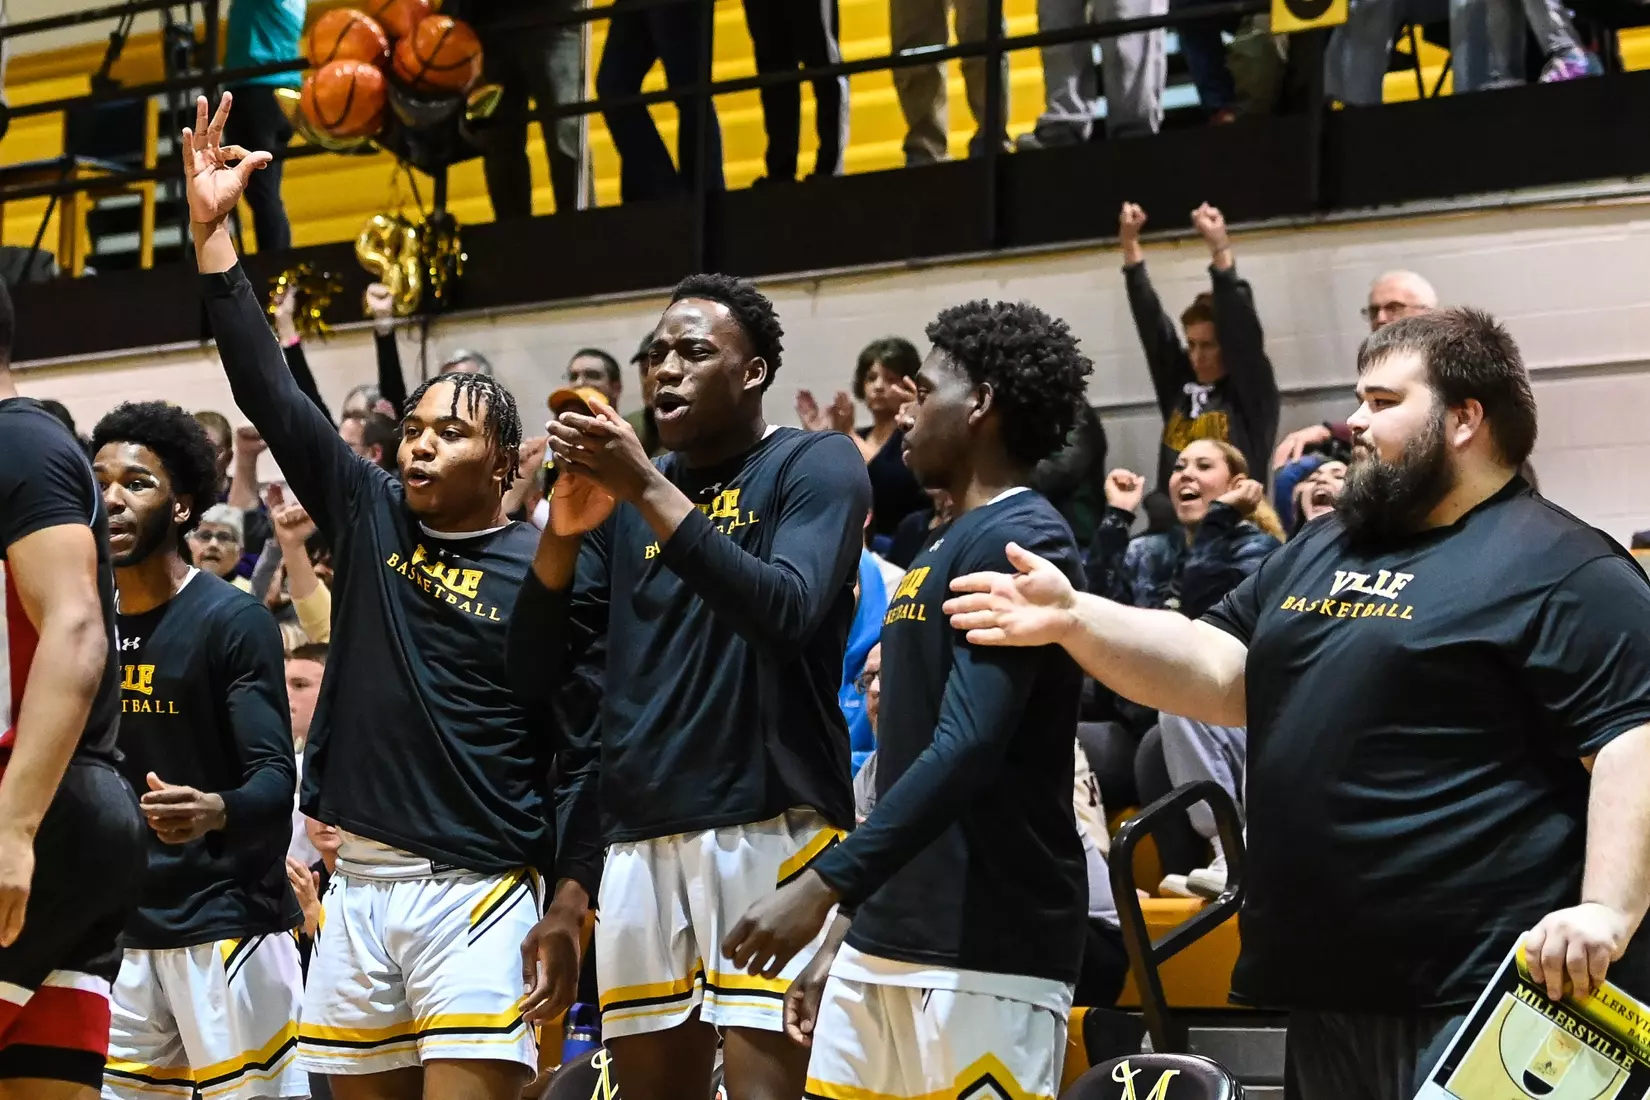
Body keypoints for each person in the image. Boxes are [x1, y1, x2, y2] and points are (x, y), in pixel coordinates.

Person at [943, 307, 1650, 1100]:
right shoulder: (1329, 544)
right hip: (1324, 986)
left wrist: (1605, 912)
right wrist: (1077, 618)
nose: (1354, 421)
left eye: (1383, 403)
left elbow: (1634, 738)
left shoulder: (1567, 566)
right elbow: (1219, 669)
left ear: (1465, 418)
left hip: (1478, 1000)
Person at [181, 93, 593, 1100]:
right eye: (412, 425)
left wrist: (572, 902)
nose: (419, 441)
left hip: (478, 889)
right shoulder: (368, 511)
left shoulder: (545, 562)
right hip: (357, 887)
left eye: (450, 431)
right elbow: (270, 395)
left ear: (508, 462)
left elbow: (583, 746)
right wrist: (214, 236)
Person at [507, 272, 871, 1100]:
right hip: (639, 841)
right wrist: (561, 536)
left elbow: (786, 609)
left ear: (754, 372)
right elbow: (534, 676)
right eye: (656, 354)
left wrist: (645, 486)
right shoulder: (621, 500)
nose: (666, 368)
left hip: (771, 823)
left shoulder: (815, 463)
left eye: (694, 351)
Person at [722, 299, 1093, 1100]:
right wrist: (841, 941)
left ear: (983, 404)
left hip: (987, 949)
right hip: (883, 943)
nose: (904, 409)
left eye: (924, 392)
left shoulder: (1024, 537)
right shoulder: (937, 542)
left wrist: (825, 885)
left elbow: (964, 747)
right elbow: (905, 770)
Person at [89, 402, 304, 1100]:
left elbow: (276, 777)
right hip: (119, 929)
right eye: (100, 480)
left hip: (225, 922)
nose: (112, 497)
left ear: (183, 506)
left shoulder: (231, 619)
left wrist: (215, 809)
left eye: (137, 482)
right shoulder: (80, 622)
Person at [0, 280, 147, 1099]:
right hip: (71, 812)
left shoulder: (17, 444)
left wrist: (15, 828)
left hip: (34, 803)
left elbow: (79, 632)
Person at [1119, 202, 1279, 489]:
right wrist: (1130, 247)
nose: (1196, 356)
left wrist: (1220, 250)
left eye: (1208, 345)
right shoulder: (1179, 384)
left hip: (1231, 519)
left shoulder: (1250, 391)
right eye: (1191, 344)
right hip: (1172, 523)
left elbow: (1240, 326)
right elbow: (1152, 326)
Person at [1271, 269, 1440, 470]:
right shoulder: (1378, 364)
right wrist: (1330, 432)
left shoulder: (1446, 359)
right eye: (1374, 311)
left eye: (1394, 307)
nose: (1381, 318)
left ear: (1428, 312)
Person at [797, 337, 927, 546]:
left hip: (906, 545)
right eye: (871, 378)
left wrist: (847, 434)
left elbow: (890, 483)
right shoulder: (859, 434)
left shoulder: (914, 435)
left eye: (890, 379)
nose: (878, 387)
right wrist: (819, 441)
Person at [220, 0, 305, 253]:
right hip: (281, 95)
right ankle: (278, 264)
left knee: (262, 193)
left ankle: (276, 267)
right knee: (266, 192)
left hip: (256, 92)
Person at [190, 503, 254, 591]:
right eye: (205, 536)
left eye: (224, 537)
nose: (213, 544)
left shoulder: (251, 593)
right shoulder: (173, 589)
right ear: (188, 545)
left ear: (240, 552)